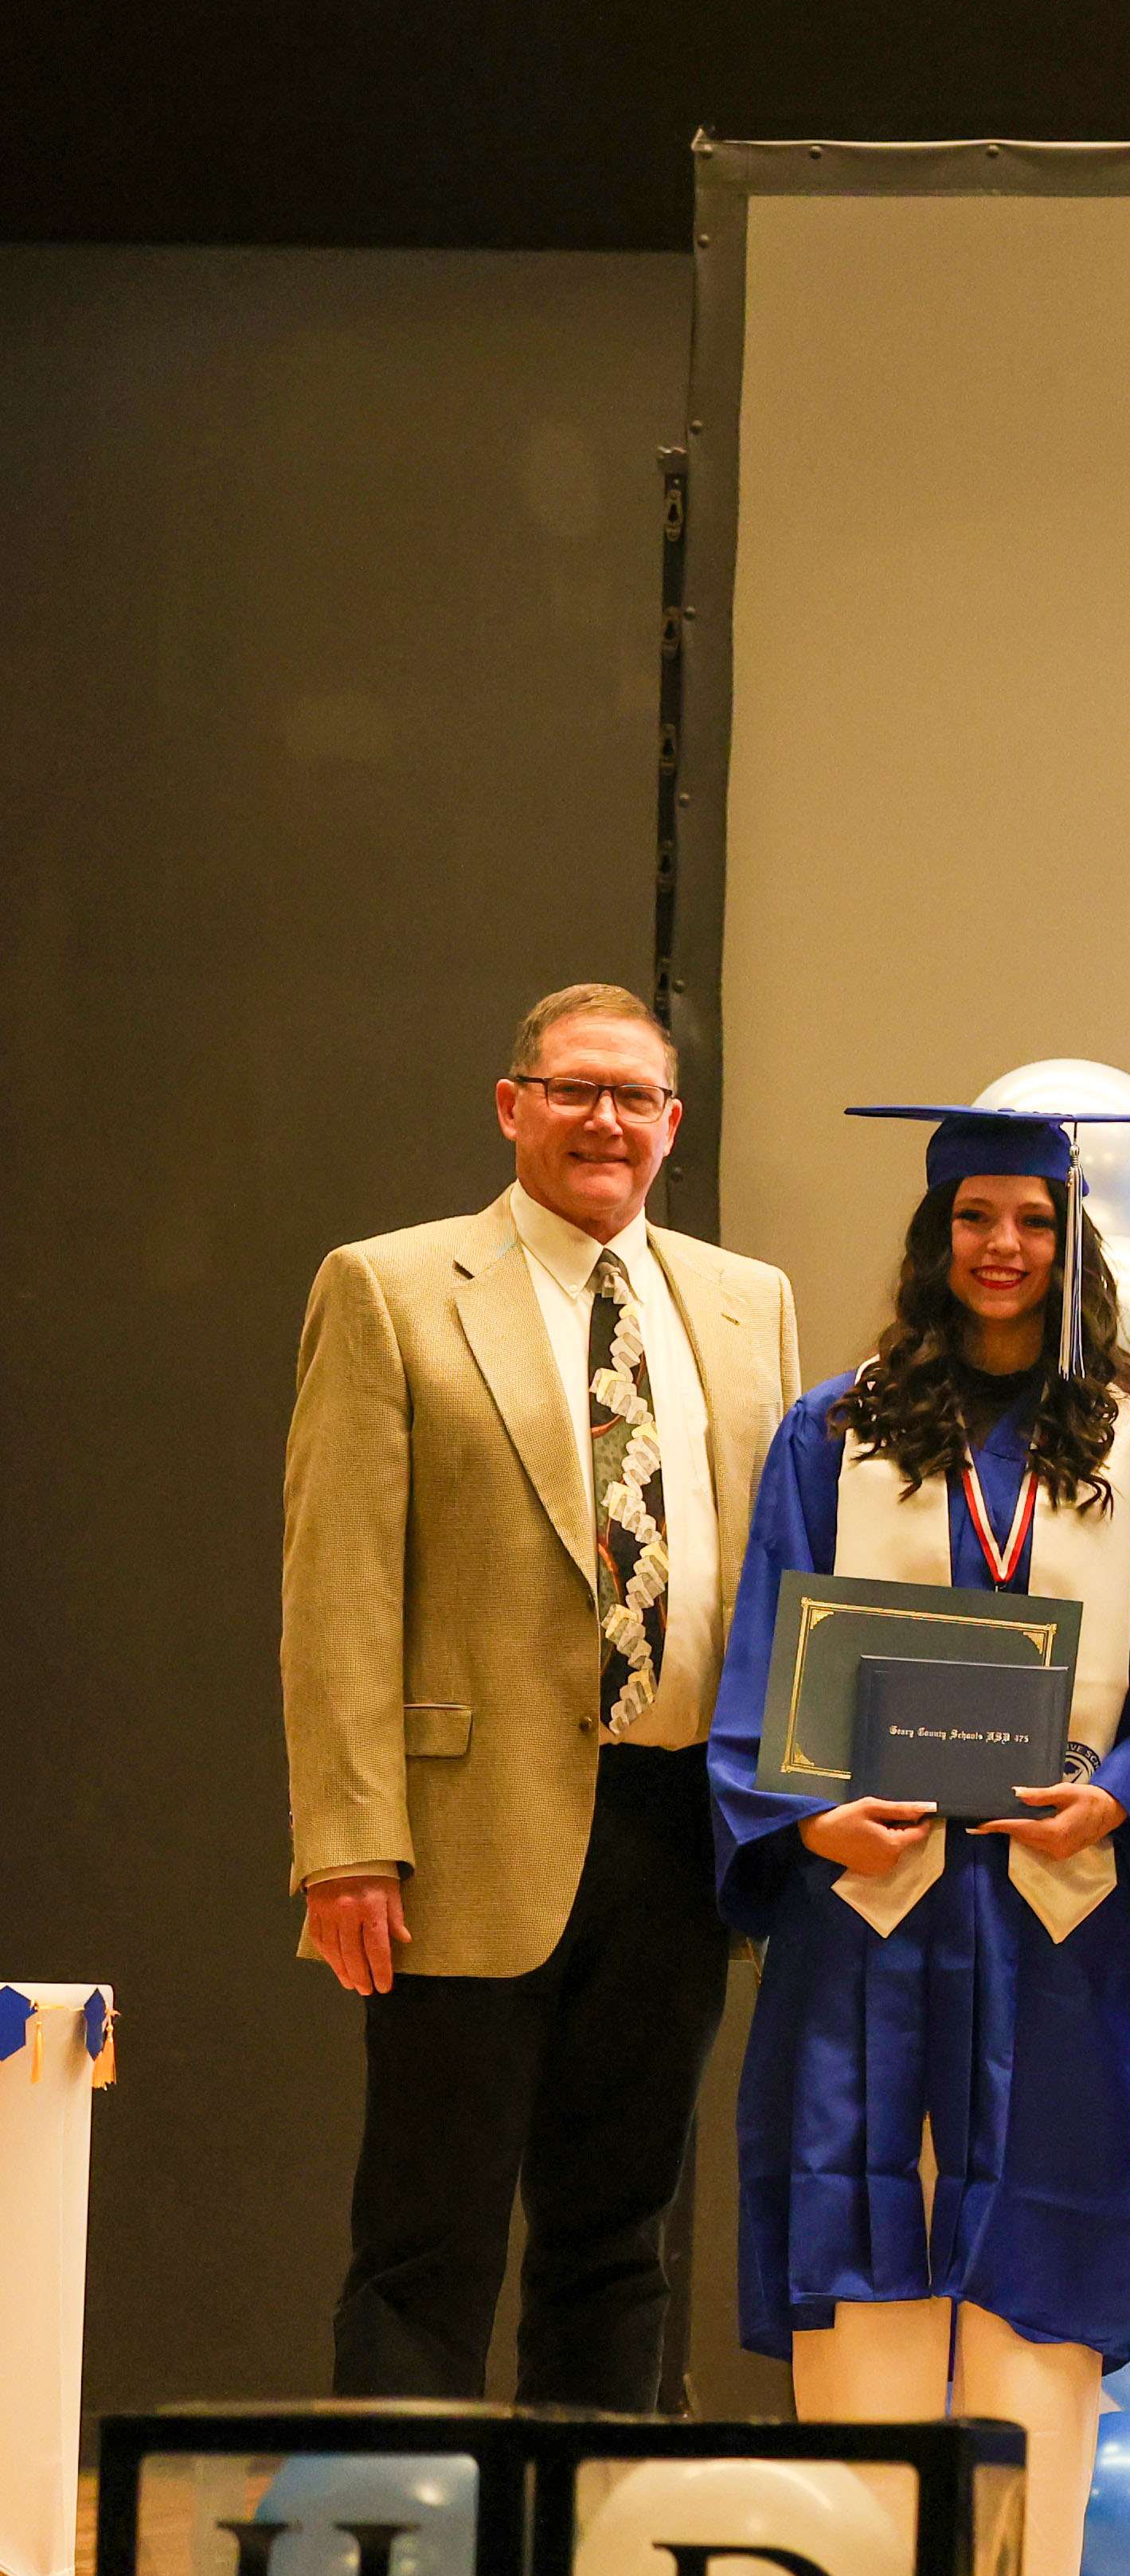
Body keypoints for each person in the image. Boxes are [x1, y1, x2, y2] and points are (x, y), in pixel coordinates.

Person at [706, 1104, 1130, 2576]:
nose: (1004, 1247)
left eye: (1033, 1220)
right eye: (975, 1218)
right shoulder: (833, 1432)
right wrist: (806, 1816)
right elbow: (762, 1652)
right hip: (868, 1898)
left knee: (1036, 2257)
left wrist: (1117, 1799)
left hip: (1047, 1903)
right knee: (858, 2234)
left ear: (1074, 1246)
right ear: (935, 1241)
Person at [283, 981, 804, 2406]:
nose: (605, 1121)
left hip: (679, 1832)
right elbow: (337, 1588)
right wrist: (347, 1841)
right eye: (575, 1089)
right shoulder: (389, 1287)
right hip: (465, 1840)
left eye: (635, 1096)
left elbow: (784, 1576)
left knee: (619, 2238)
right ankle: (406, 2535)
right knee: (427, 2241)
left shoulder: (749, 1305)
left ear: (672, 1124)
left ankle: (593, 2529)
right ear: (513, 1107)